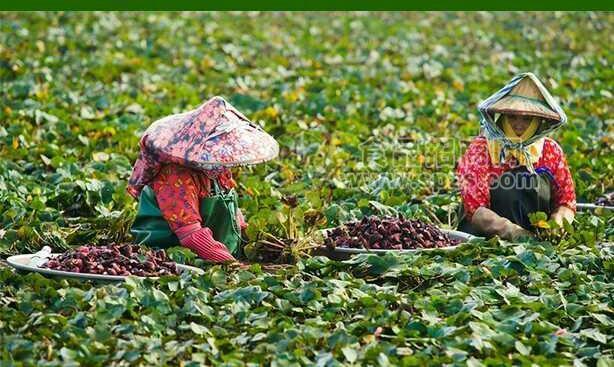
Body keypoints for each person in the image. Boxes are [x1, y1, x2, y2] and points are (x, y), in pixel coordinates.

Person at [127, 96, 279, 262]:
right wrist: (231, 264)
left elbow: (231, 211)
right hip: (171, 258)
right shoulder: (175, 176)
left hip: (215, 255)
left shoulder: (218, 167)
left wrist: (254, 240)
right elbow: (191, 235)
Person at [456, 72, 576, 240]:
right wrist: (514, 233)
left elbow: (566, 201)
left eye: (527, 119)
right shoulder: (481, 150)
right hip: (486, 242)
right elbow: (476, 210)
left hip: (540, 242)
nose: (519, 125)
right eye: (512, 117)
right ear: (502, 116)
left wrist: (557, 224)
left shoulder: (550, 151)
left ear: (538, 120)